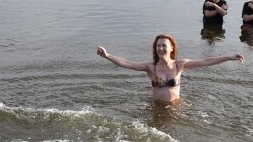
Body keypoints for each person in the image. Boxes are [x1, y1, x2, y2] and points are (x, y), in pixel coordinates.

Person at [97, 34, 245, 102]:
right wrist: (107, 55)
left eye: (164, 46)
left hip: (175, 108)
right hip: (156, 107)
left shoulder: (180, 65)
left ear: (171, 48)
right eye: (158, 46)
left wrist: (229, 57)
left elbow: (206, 61)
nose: (160, 48)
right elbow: (127, 63)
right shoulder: (150, 67)